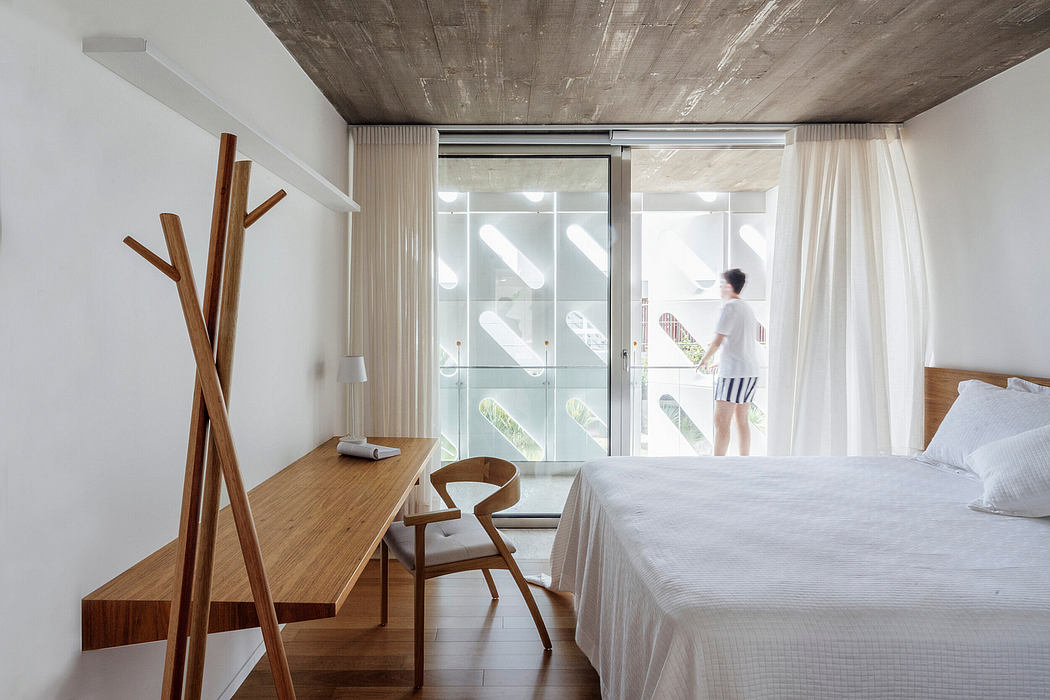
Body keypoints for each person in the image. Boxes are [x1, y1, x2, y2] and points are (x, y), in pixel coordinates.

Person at [696, 268, 759, 456]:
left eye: (722, 284)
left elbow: (718, 341)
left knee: (721, 421)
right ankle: (744, 461)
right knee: (742, 420)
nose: (720, 288)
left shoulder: (729, 306)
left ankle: (717, 464)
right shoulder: (747, 308)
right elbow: (740, 341)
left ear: (729, 286)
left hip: (734, 373)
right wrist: (720, 362)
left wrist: (703, 360)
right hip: (750, 371)